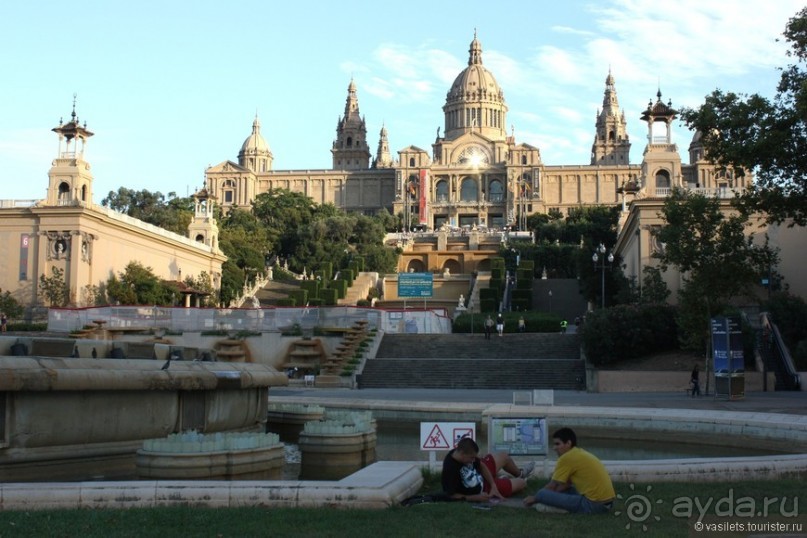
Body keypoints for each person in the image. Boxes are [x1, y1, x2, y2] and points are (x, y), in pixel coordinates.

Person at [523, 427, 615, 514]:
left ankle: (561, 509)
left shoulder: (566, 458)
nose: (554, 448)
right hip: (607, 505)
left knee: (542, 493)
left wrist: (535, 498)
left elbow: (552, 485)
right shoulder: (578, 453)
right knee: (566, 490)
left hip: (593, 505)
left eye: (557, 444)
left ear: (568, 443)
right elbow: (566, 484)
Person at [442, 436, 532, 502]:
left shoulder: (458, 452)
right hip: (483, 488)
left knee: (504, 456)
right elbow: (451, 495)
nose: (474, 460)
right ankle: (504, 480)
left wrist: (493, 485)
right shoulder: (450, 469)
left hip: (481, 475)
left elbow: (481, 465)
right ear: (462, 454)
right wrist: (474, 497)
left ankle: (520, 474)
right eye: (471, 457)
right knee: (522, 483)